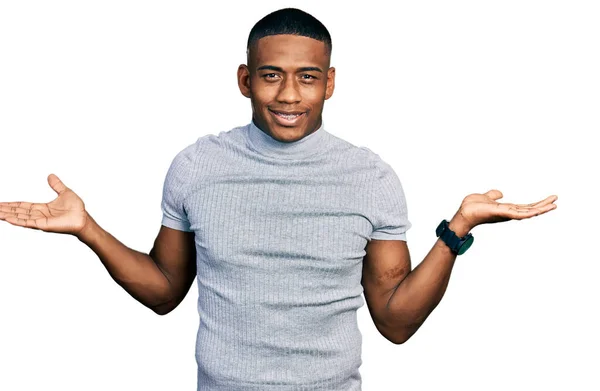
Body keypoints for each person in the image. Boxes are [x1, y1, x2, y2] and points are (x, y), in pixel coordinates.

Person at [0, 7, 557, 391]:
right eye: (271, 76)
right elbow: (165, 290)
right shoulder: (197, 166)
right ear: (244, 79)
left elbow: (395, 321)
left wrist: (457, 229)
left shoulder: (370, 177)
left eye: (307, 77)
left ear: (330, 83)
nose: (289, 95)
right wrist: (88, 229)